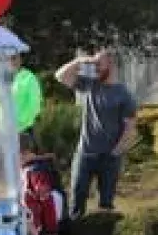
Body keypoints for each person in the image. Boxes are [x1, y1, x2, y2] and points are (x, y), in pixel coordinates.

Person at [55, 50, 136, 218]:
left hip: (109, 157)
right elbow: (60, 75)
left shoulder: (124, 94)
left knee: (106, 205)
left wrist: (116, 152)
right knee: (77, 201)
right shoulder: (90, 84)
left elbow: (129, 128)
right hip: (85, 153)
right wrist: (82, 60)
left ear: (111, 65)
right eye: (94, 64)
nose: (95, 67)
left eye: (99, 64)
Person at [19, 134, 64, 235]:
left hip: (43, 229)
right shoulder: (29, 169)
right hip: (37, 225)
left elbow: (47, 199)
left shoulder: (35, 172)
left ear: (23, 153)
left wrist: (51, 231)